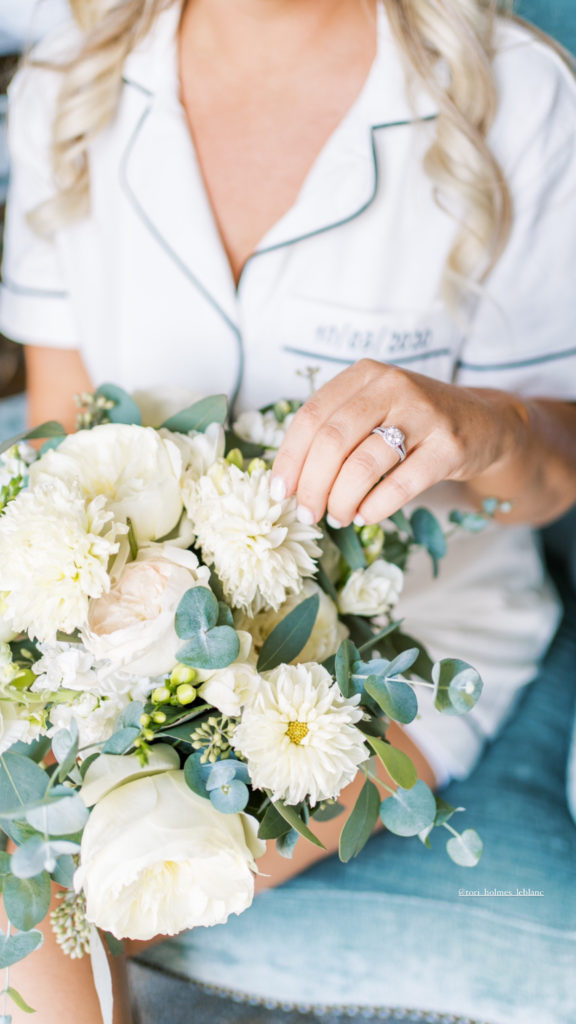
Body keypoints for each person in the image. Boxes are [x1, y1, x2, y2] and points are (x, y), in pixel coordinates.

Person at [0, 0, 575, 1020]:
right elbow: (63, 446)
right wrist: (63, 668)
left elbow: (553, 480)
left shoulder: (520, 95)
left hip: (388, 652)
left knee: (71, 876)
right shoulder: (65, 86)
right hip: (127, 628)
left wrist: (479, 424)